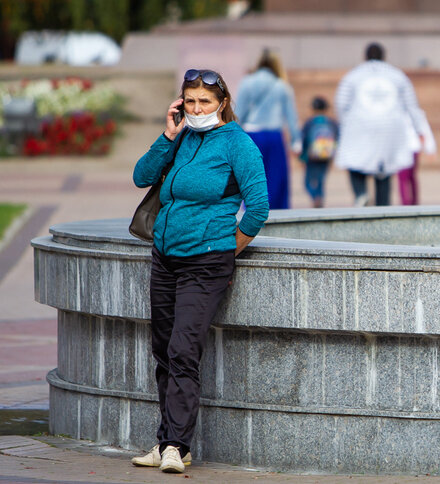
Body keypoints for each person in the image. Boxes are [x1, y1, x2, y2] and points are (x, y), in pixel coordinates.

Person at [130, 68, 269, 474]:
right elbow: (141, 176)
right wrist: (168, 135)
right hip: (165, 258)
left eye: (204, 102)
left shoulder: (238, 145)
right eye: (189, 101)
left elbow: (258, 207)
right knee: (162, 351)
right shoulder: (184, 137)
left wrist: (227, 247)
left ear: (222, 104)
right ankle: (167, 441)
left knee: (183, 350)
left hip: (205, 262)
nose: (196, 109)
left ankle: (175, 445)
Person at [335, 42, 431, 206]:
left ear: (364, 56)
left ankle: (361, 193)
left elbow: (341, 104)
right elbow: (412, 106)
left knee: (354, 163)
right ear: (384, 56)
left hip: (360, 126)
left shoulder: (353, 76)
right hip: (389, 128)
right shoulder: (397, 76)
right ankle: (382, 206)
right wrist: (419, 130)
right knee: (384, 170)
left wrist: (344, 127)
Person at [235, 49, 301, 209]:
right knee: (276, 180)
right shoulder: (282, 85)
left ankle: (252, 214)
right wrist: (296, 140)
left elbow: (238, 113)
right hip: (274, 136)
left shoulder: (247, 82)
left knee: (251, 179)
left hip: (251, 135)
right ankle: (276, 215)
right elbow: (291, 116)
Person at [299, 96, 339, 208]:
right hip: (326, 155)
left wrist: (302, 156)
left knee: (307, 182)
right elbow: (337, 138)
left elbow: (303, 139)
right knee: (321, 180)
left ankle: (314, 196)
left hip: (311, 156)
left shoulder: (310, 122)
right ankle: (319, 198)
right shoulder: (332, 122)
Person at [398, 116, 436, 205]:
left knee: (410, 176)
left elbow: (425, 131)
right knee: (403, 177)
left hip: (413, 147)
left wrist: (430, 148)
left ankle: (413, 201)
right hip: (402, 148)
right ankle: (406, 202)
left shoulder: (416, 113)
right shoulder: (397, 111)